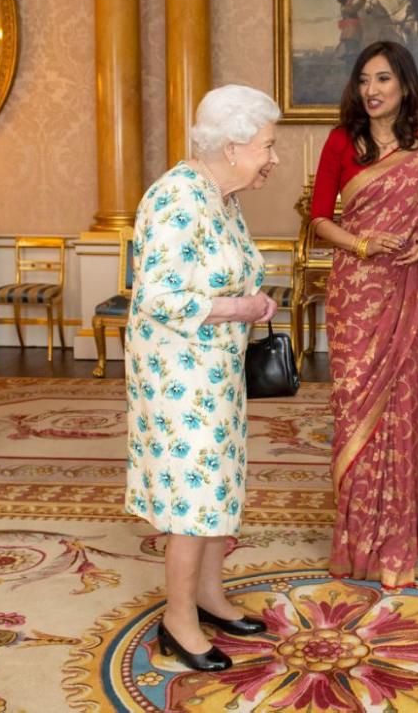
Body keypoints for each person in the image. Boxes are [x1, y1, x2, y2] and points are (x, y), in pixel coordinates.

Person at [124, 84, 281, 672]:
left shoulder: (222, 195)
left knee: (218, 484)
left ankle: (210, 597)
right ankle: (178, 619)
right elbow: (157, 296)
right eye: (268, 145)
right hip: (179, 376)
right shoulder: (177, 198)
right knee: (193, 495)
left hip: (216, 372)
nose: (272, 157)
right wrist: (242, 309)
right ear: (236, 145)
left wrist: (249, 300)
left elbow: (223, 273)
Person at [309, 40, 418, 588]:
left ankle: (396, 543)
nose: (371, 91)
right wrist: (361, 245)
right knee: (355, 408)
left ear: (404, 85)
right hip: (357, 293)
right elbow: (319, 220)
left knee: (404, 408)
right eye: (363, 80)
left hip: (410, 294)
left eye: (383, 80)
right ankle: (352, 541)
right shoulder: (339, 143)